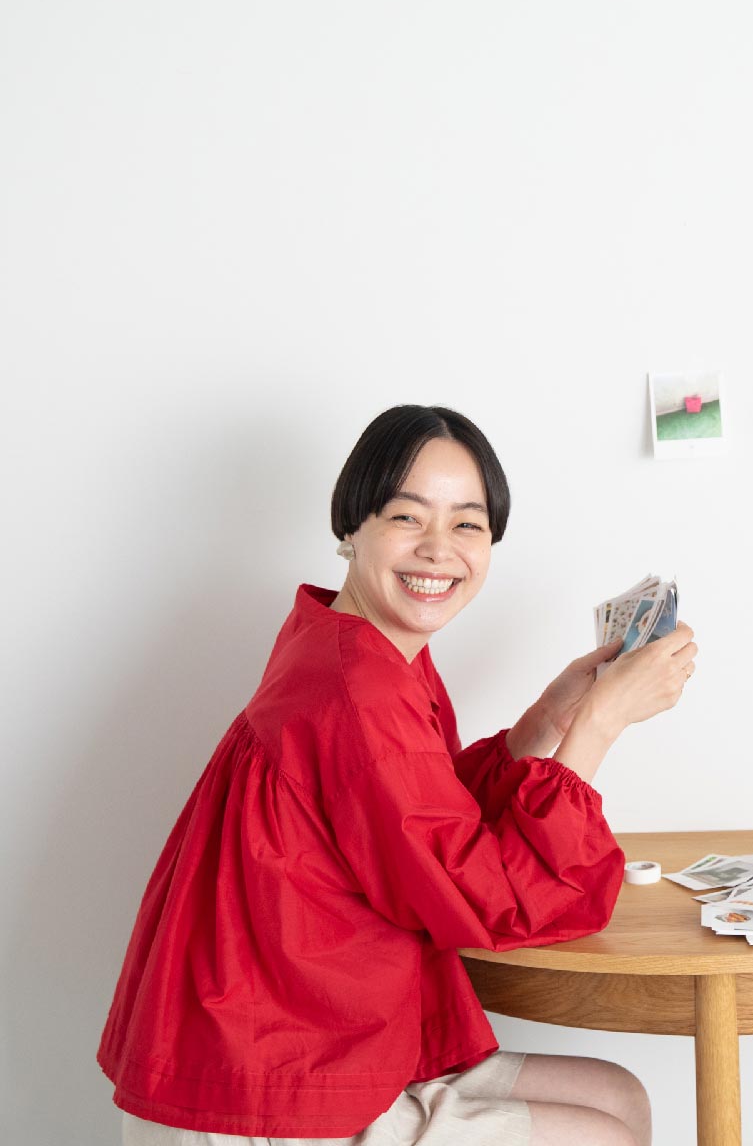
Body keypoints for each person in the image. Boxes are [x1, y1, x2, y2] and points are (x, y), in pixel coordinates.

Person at [98, 405, 698, 1146]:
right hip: (262, 1088)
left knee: (618, 1097)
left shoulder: (355, 645)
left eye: (468, 524)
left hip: (297, 1041)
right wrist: (600, 726)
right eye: (407, 517)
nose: (438, 550)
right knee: (603, 1135)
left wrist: (548, 719)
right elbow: (490, 901)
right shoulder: (359, 689)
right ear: (351, 526)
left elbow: (416, 815)